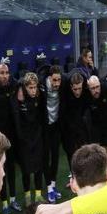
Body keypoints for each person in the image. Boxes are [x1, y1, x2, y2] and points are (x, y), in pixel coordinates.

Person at [0, 62, 21, 214]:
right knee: (0, 170)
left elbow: (18, 82)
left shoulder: (12, 86)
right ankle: (5, 203)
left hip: (12, 135)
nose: (5, 76)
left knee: (11, 168)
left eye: (7, 73)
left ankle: (13, 199)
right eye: (1, 73)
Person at [12, 73, 45, 205]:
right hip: (24, 140)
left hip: (37, 137)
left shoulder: (39, 97)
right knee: (25, 169)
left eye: (34, 87)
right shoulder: (19, 98)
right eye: (30, 88)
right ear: (25, 87)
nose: (33, 90)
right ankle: (27, 197)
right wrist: (20, 89)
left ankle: (38, 195)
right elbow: (15, 81)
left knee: (38, 166)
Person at [41, 65, 63, 203]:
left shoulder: (62, 85)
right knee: (46, 157)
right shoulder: (41, 86)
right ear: (49, 78)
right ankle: (49, 187)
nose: (57, 83)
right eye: (54, 80)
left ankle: (53, 186)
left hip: (56, 126)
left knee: (55, 156)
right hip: (44, 127)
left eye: (59, 80)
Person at [86, 75, 107, 155]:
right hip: (96, 124)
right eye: (93, 88)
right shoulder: (86, 94)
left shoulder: (106, 88)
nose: (96, 90)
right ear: (88, 88)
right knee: (97, 150)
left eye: (97, 87)